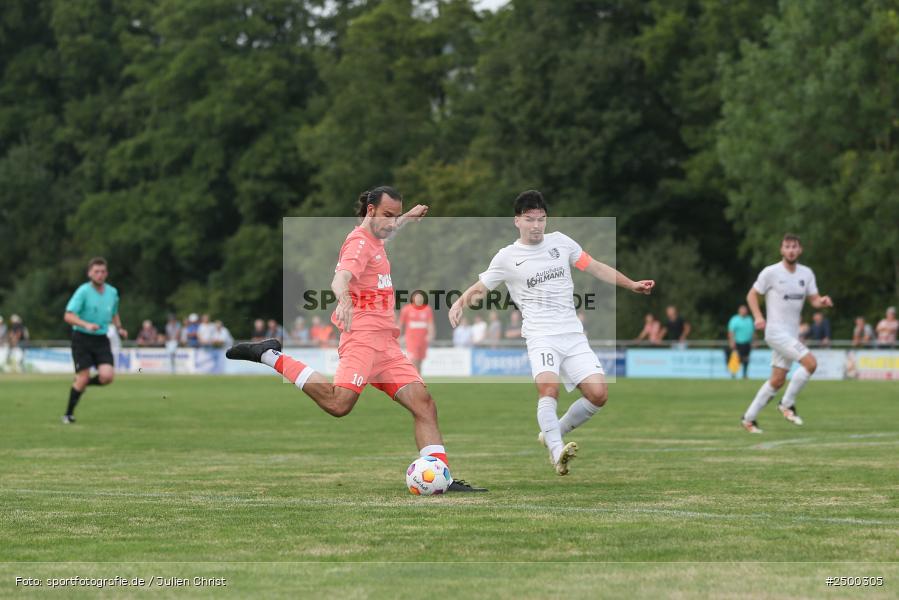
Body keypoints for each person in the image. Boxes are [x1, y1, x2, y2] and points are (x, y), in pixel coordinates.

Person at [226, 186, 485, 492]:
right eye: (388, 215)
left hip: (386, 344)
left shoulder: (377, 237)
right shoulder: (359, 243)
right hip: (362, 338)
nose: (392, 222)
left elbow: (388, 230)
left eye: (395, 216)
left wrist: (407, 217)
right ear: (370, 211)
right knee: (338, 404)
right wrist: (345, 299)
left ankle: (442, 477)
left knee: (424, 404)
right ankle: (270, 355)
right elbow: (340, 278)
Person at [449, 190, 654, 475]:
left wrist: (631, 284)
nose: (536, 225)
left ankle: (552, 432)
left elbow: (595, 267)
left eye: (541, 219)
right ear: (517, 221)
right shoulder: (507, 257)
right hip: (541, 336)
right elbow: (482, 287)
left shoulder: (561, 243)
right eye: (530, 219)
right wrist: (459, 303)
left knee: (598, 394)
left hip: (573, 335)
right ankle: (557, 452)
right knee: (549, 389)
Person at [741, 234, 833, 433]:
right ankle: (786, 404)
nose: (791, 250)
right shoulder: (771, 272)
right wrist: (758, 317)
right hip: (775, 332)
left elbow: (814, 299)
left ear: (800, 250)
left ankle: (748, 419)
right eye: (787, 247)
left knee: (777, 380)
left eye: (794, 247)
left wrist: (822, 301)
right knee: (811, 363)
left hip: (791, 334)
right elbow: (751, 295)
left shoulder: (806, 273)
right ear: (781, 250)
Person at [62, 257, 128, 424]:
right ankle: (68, 414)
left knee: (107, 377)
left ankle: (81, 384)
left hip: (101, 339)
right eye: (96, 271)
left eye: (103, 271)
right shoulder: (83, 291)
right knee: (83, 377)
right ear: (89, 273)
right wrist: (86, 324)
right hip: (81, 338)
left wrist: (119, 328)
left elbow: (114, 312)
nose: (100, 274)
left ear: (107, 273)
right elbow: (68, 316)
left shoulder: (112, 292)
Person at [398, 290, 435, 375]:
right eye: (417, 297)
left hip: (423, 340)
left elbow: (430, 324)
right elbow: (401, 324)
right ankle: (415, 379)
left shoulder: (427, 309)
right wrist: (398, 336)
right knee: (414, 360)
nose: (419, 299)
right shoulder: (406, 309)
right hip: (411, 339)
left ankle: (419, 378)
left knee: (420, 361)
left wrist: (431, 334)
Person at [726, 305, 754, 379]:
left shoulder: (749, 319)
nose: (744, 311)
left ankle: (745, 374)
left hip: (747, 343)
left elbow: (752, 331)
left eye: (745, 310)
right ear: (739, 311)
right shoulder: (734, 319)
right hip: (737, 342)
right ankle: (733, 373)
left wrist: (754, 341)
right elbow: (731, 332)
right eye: (742, 310)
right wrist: (732, 341)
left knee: (746, 359)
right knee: (736, 358)